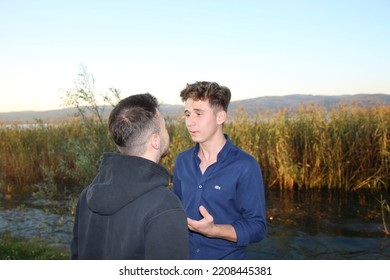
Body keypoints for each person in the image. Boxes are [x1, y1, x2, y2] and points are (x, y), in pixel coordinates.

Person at [71, 93, 189, 260]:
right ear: (155, 141)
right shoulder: (165, 207)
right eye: (164, 127)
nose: (167, 133)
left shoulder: (86, 196)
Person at [172, 81, 266, 260]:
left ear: (220, 117)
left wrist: (215, 231)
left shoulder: (245, 166)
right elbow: (175, 208)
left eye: (198, 114)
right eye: (187, 114)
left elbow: (257, 228)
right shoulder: (182, 161)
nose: (190, 122)